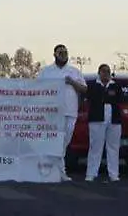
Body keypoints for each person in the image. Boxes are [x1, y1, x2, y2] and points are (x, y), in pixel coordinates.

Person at [37, 44, 87, 181]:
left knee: (64, 142)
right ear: (54, 54)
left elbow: (84, 89)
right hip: (52, 112)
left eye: (65, 52)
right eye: (60, 52)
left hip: (70, 111)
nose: (63, 54)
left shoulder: (74, 71)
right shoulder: (46, 72)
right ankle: (54, 171)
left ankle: (57, 169)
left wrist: (72, 82)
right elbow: (37, 88)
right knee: (52, 141)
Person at [83, 64, 122, 182]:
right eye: (104, 71)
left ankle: (114, 174)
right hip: (97, 119)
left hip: (114, 120)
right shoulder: (93, 85)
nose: (106, 74)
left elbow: (119, 100)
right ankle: (91, 173)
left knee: (113, 147)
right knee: (95, 146)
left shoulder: (115, 86)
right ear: (99, 73)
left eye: (108, 71)